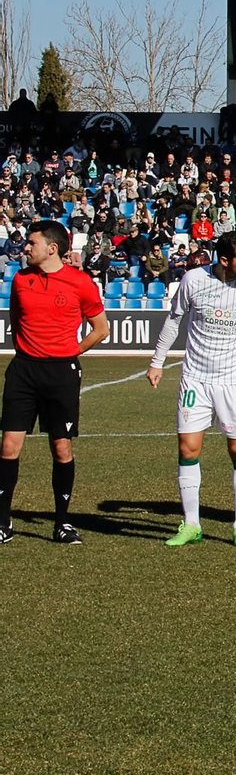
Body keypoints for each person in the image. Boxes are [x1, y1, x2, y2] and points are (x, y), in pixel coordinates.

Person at [146, 232, 236, 548]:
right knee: (188, 449)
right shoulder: (192, 281)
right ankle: (191, 525)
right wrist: (157, 361)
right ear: (224, 261)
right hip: (196, 380)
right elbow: (174, 321)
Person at [0, 221, 110, 544]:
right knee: (8, 445)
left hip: (61, 372)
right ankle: (3, 522)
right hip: (22, 370)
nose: (25, 247)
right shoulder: (20, 279)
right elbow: (15, 317)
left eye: (31, 243)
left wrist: (70, 352)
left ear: (51, 248)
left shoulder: (80, 282)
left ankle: (61, 523)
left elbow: (100, 329)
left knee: (61, 447)